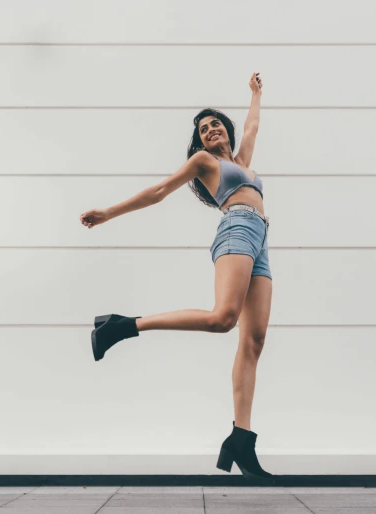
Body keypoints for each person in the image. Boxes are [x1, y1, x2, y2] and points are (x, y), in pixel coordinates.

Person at [80, 73, 274, 483]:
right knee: (223, 319)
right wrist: (107, 214)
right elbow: (159, 191)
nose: (211, 129)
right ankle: (124, 325)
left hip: (261, 239)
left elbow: (253, 126)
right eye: (204, 129)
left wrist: (255, 94)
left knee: (253, 341)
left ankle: (242, 439)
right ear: (201, 143)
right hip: (237, 228)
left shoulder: (241, 163)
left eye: (215, 122)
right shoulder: (206, 164)